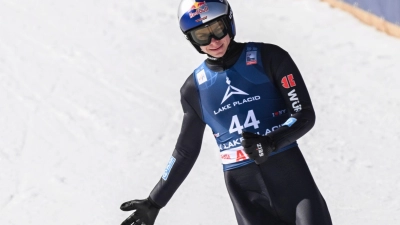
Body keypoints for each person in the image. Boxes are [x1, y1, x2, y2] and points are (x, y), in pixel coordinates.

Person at [120, 0, 332, 224]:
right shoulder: (194, 89)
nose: (213, 42)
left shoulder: (270, 57)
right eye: (202, 36)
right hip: (245, 194)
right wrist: (155, 201)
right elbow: (185, 151)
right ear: (191, 39)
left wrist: (270, 142)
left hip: (291, 179)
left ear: (229, 22)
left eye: (218, 30)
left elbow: (303, 114)